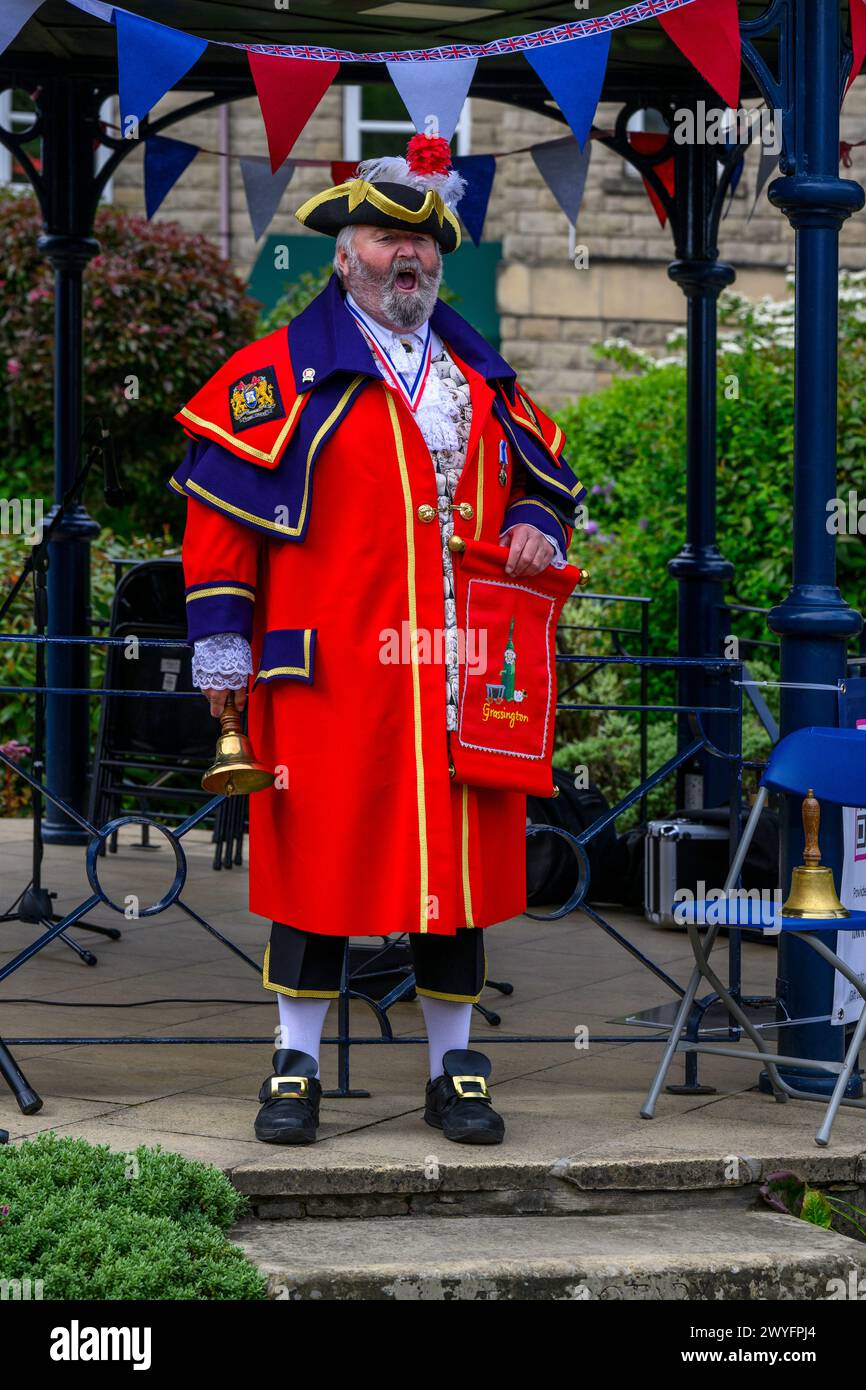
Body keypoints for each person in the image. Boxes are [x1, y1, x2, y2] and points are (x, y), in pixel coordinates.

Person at [170, 133, 587, 1146]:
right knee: (318, 867)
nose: (406, 254)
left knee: (457, 872)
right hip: (330, 671)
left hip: (458, 672)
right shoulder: (274, 378)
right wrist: (222, 645)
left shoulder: (481, 380)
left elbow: (545, 483)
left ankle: (455, 1069)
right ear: (340, 252)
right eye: (382, 234)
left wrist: (540, 520)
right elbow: (218, 526)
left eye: (423, 239)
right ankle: (295, 1065)